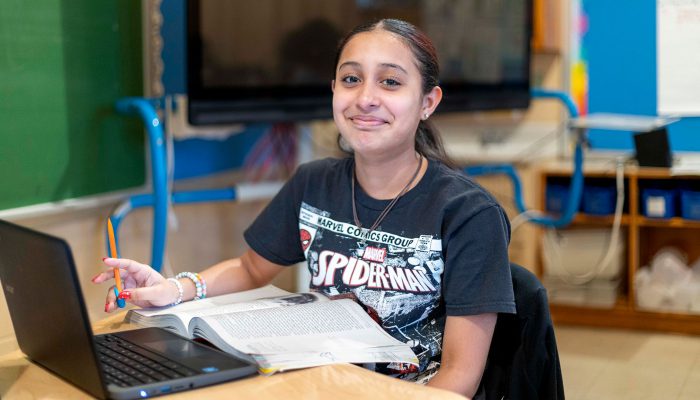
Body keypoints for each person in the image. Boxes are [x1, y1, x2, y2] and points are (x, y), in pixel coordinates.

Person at [93, 18, 515, 399]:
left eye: (390, 83)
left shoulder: (468, 213)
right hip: (314, 385)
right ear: (333, 89)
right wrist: (174, 289)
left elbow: (459, 378)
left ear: (428, 102)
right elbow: (250, 268)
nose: (366, 98)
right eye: (351, 79)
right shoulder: (313, 182)